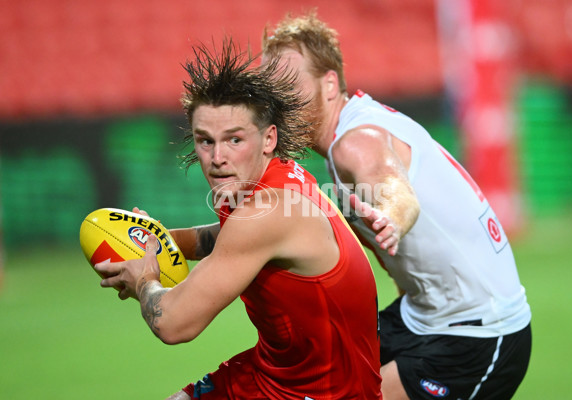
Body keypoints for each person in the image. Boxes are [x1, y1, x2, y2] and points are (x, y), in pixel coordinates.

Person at [261, 11, 532, 400]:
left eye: (289, 84)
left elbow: (395, 189)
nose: (278, 100)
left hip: (480, 333)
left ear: (330, 83)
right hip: (421, 316)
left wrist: (391, 215)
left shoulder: (355, 140)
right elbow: (273, 229)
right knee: (308, 376)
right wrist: (177, 242)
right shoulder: (350, 133)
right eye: (270, 90)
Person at [94, 39, 382, 400]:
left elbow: (174, 323)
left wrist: (145, 280)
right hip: (275, 371)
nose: (217, 157)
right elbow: (230, 238)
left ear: (268, 138)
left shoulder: (268, 211)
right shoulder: (267, 179)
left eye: (234, 139)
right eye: (205, 141)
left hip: (324, 393)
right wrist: (162, 240)